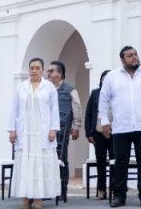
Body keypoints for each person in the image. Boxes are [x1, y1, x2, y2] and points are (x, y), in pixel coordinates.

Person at [100, 46, 141, 208]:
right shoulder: (112, 76)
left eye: (135, 54)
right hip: (121, 127)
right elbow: (104, 100)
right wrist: (104, 122)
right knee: (120, 163)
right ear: (122, 60)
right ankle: (119, 196)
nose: (134, 57)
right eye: (130, 55)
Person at [7, 57, 61, 209]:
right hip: (25, 132)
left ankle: (38, 198)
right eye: (32, 68)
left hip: (43, 132)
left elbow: (54, 110)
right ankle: (25, 197)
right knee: (26, 163)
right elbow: (14, 110)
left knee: (40, 164)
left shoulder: (49, 87)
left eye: (37, 68)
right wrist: (12, 130)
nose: (34, 70)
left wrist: (53, 129)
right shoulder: (21, 87)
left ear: (42, 70)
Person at [48, 60, 82, 202]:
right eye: (48, 71)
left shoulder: (70, 89)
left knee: (61, 159)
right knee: (47, 160)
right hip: (46, 130)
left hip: (62, 130)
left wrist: (76, 127)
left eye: (51, 71)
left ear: (60, 74)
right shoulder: (46, 88)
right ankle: (48, 190)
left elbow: (77, 108)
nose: (48, 73)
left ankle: (62, 190)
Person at [85, 70, 114, 200]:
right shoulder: (95, 93)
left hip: (115, 133)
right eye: (104, 78)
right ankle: (101, 190)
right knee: (101, 161)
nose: (105, 80)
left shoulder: (117, 93)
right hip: (98, 132)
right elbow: (89, 114)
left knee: (115, 161)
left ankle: (115, 188)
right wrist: (88, 132)